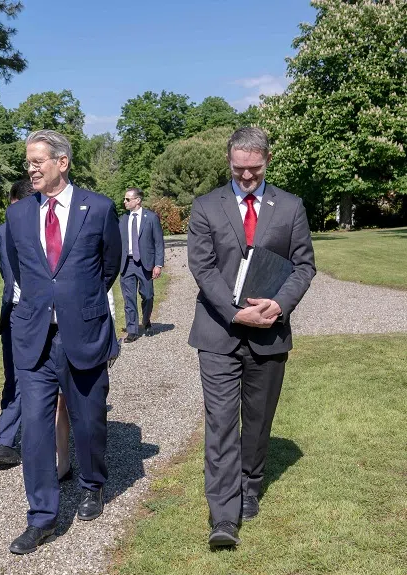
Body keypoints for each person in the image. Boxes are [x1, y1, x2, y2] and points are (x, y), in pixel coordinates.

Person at [187, 127, 315, 547]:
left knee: (257, 421)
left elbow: (303, 266)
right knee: (221, 422)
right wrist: (237, 311)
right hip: (218, 332)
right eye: (239, 170)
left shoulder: (291, 207)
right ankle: (223, 518)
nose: (246, 178)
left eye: (254, 170)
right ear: (229, 161)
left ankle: (251, 484)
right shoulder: (206, 207)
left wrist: (277, 306)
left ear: (268, 161)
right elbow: (203, 269)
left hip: (270, 333)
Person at [5, 130, 122, 554]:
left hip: (84, 332)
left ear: (63, 162)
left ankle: (93, 484)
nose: (31, 169)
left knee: (89, 419)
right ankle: (41, 516)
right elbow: (20, 269)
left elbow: (111, 263)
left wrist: (78, 301)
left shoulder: (100, 207)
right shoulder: (17, 216)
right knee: (35, 428)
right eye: (28, 162)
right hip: (34, 337)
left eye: (38, 161)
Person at [0, 178, 35, 468]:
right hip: (15, 314)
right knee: (13, 378)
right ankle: (5, 444)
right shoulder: (1, 234)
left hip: (49, 314)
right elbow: (7, 276)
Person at [119, 188, 165, 342]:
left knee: (148, 295)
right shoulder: (122, 219)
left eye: (127, 199)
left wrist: (158, 264)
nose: (124, 202)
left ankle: (146, 321)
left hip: (145, 264)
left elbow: (159, 242)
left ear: (137, 200)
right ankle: (132, 330)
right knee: (129, 298)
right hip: (127, 264)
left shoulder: (151, 218)